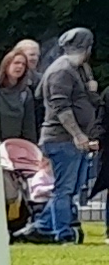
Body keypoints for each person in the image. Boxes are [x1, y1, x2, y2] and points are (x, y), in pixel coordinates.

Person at [36, 28, 99, 244]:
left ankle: (42, 227)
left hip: (71, 140)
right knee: (64, 189)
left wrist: (91, 88)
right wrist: (78, 135)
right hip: (62, 139)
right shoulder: (61, 71)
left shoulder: (78, 68)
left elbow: (88, 100)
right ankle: (62, 234)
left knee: (71, 188)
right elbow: (60, 106)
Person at [0, 41, 45, 147]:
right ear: (6, 64)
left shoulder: (25, 93)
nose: (20, 67)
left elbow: (29, 127)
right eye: (16, 63)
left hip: (16, 146)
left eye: (23, 64)